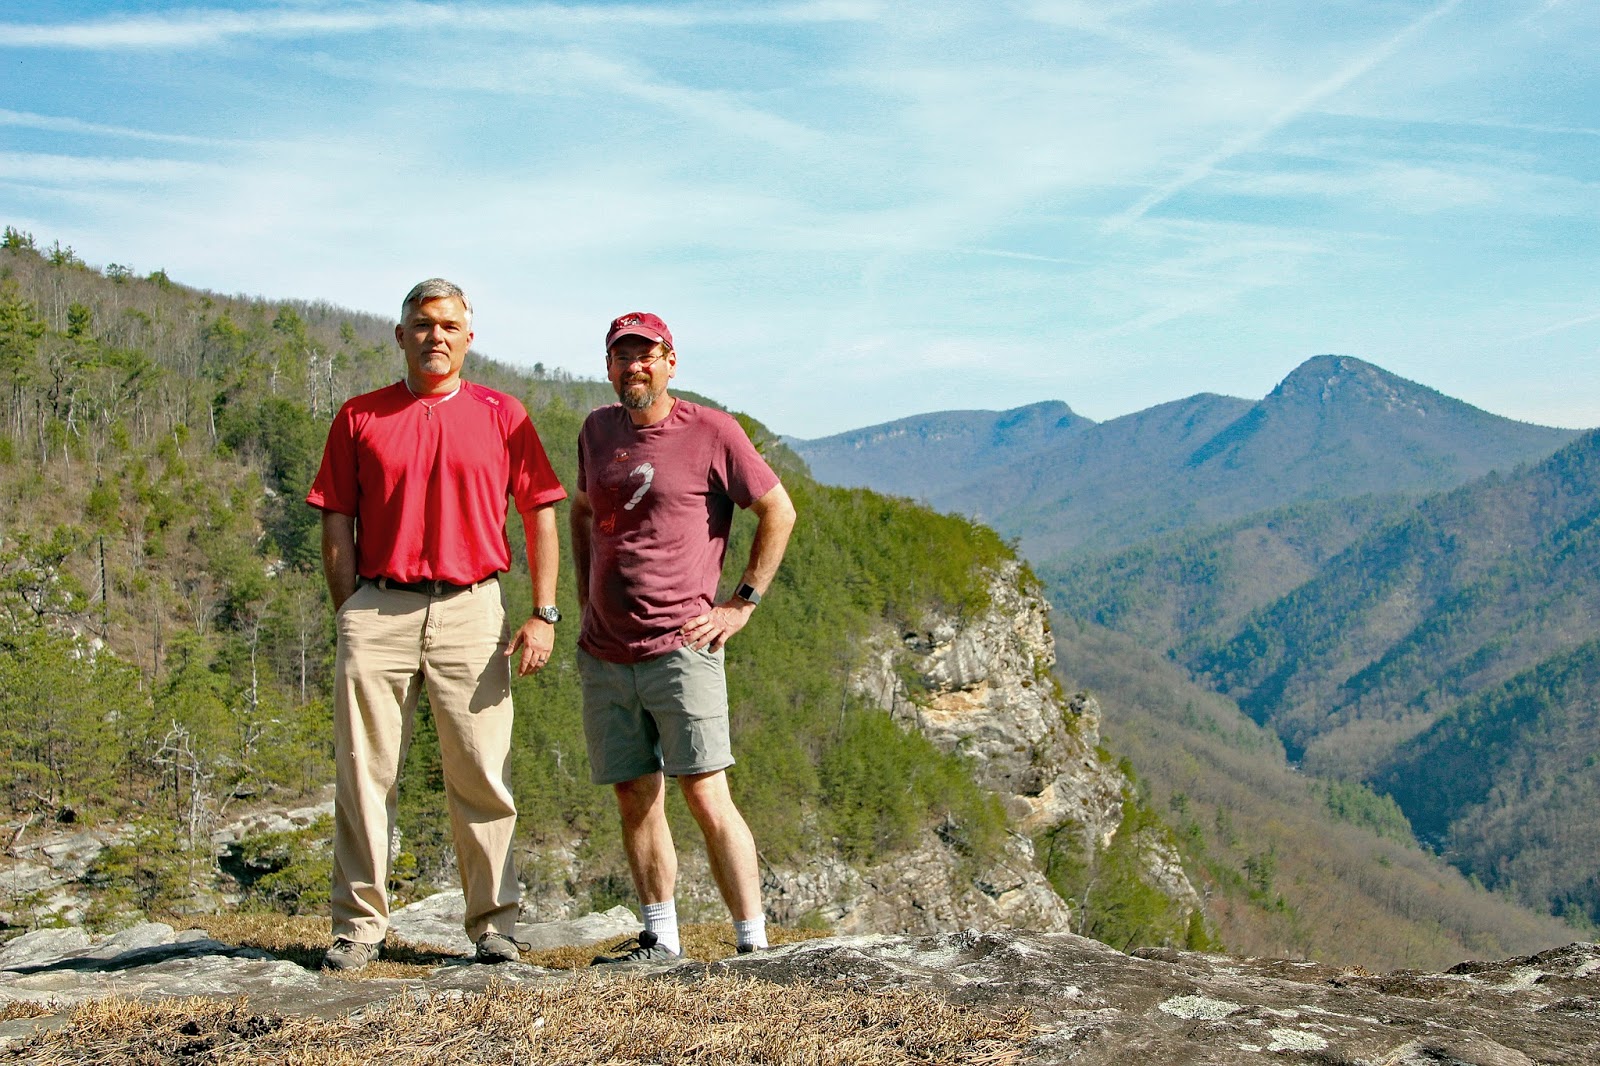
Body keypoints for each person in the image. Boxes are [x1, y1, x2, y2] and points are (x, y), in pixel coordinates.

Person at [306, 278, 566, 972]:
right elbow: (336, 516)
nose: (436, 336)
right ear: (400, 336)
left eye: (449, 325)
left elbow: (540, 509)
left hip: (473, 608)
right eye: (422, 324)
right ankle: (359, 928)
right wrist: (352, 610)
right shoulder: (360, 416)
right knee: (365, 773)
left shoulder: (503, 414)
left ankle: (493, 927)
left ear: (469, 337)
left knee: (482, 769)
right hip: (378, 604)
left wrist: (543, 612)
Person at [571, 311, 796, 963]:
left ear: (671, 361)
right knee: (635, 795)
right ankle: (660, 938)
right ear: (609, 366)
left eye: (646, 356)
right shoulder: (597, 431)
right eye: (621, 357)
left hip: (683, 647)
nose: (632, 367)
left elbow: (778, 510)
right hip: (607, 652)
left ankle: (754, 945)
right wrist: (585, 598)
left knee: (705, 792)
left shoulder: (712, 431)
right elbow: (582, 510)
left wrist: (742, 603)